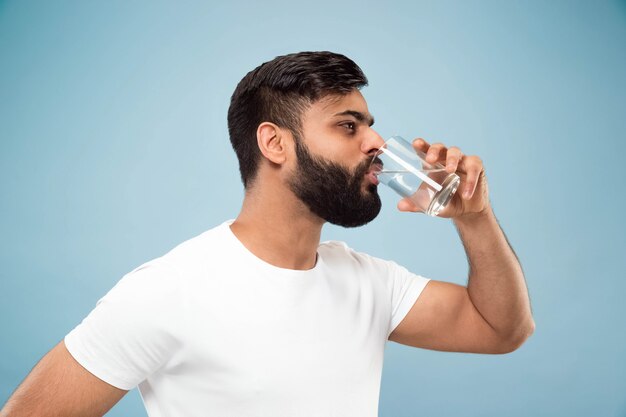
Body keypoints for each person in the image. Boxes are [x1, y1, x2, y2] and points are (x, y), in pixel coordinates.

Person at [0, 51, 535, 417]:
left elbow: (501, 329)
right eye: (349, 125)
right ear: (274, 144)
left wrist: (474, 218)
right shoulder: (167, 291)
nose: (374, 142)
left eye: (370, 124)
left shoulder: (370, 282)